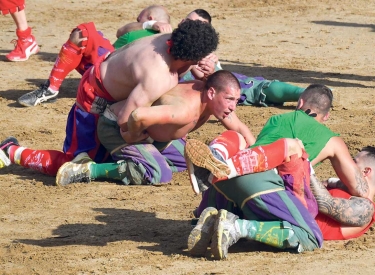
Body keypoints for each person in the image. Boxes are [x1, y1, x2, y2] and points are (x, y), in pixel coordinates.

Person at [0, 20, 219, 179]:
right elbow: (125, 120)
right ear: (191, 56)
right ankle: (12, 151)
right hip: (95, 100)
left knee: (174, 158)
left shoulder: (170, 41)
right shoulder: (157, 75)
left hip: (113, 78)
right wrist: (143, 141)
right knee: (76, 163)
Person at [55, 70, 256, 186]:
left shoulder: (214, 102)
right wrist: (132, 135)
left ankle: (143, 156)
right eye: (229, 99)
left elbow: (239, 127)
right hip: (117, 127)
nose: (233, 106)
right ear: (212, 93)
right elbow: (137, 115)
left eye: (236, 100)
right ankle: (87, 169)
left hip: (155, 135)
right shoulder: (184, 110)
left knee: (191, 161)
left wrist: (258, 159)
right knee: (159, 173)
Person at [185, 84, 368, 198]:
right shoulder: (333, 140)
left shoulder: (275, 120)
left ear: (300, 103)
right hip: (269, 191)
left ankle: (217, 156)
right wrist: (334, 183)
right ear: (326, 116)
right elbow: (361, 190)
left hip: (224, 189)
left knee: (238, 137)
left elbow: (259, 149)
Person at [17, 7, 216, 107]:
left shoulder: (190, 50)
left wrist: (210, 70)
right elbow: (122, 31)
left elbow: (204, 74)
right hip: (104, 61)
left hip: (118, 85)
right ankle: (50, 88)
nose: (187, 25)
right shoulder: (161, 30)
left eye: (196, 25)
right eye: (187, 20)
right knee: (83, 33)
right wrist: (149, 26)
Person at [312, 146, 375, 240]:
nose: (349, 164)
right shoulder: (345, 190)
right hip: (289, 212)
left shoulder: (366, 207)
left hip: (292, 227)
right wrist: (332, 181)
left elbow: (324, 203)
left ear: (365, 171)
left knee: (334, 144)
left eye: (354, 162)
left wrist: (306, 166)